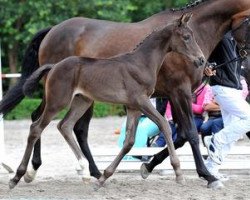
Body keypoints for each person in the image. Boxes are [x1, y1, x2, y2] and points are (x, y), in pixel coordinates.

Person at [203, 31, 250, 181]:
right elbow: (204, 51)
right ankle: (215, 140)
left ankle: (211, 169)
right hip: (223, 88)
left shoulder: (238, 42)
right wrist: (207, 65)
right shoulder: (222, 37)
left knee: (234, 134)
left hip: (233, 90)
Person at [153, 82, 209, 147]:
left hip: (195, 118)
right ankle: (156, 146)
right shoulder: (179, 85)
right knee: (169, 127)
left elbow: (200, 109)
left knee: (179, 133)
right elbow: (170, 105)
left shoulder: (203, 88)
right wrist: (170, 117)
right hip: (179, 116)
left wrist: (186, 104)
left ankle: (171, 148)